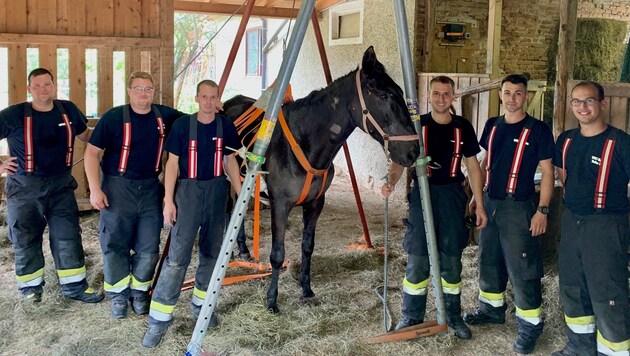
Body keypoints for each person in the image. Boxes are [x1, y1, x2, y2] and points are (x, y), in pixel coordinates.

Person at [381, 75, 488, 339]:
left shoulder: (463, 127)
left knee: (451, 258)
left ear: (454, 97)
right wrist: (391, 182)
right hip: (422, 193)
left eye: (446, 94)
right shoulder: (417, 125)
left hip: (452, 195)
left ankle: (452, 316)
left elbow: (473, 166)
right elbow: (399, 160)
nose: (441, 98)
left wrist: (480, 204)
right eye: (436, 93)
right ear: (429, 96)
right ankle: (411, 315)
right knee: (418, 256)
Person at [142, 80, 242, 348]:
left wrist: (241, 191)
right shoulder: (183, 126)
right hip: (188, 193)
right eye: (204, 97)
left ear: (218, 98)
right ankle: (159, 320)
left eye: (213, 97)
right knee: (177, 257)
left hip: (217, 192)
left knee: (212, 254)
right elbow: (172, 164)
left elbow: (230, 160)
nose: (208, 102)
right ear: (197, 98)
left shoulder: (226, 126)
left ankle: (202, 307)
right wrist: (168, 201)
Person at [462, 74, 554, 354]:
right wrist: (477, 198)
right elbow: (485, 160)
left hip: (519, 205)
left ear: (526, 96)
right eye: (507, 92)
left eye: (518, 93)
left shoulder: (538, 129)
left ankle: (529, 325)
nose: (512, 98)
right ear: (500, 95)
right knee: (488, 257)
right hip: (490, 201)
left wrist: (543, 209)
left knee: (522, 265)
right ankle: (491, 308)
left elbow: (549, 172)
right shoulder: (492, 125)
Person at [84, 71, 186, 319]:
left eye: (148, 89)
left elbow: (195, 122)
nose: (144, 94)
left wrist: (213, 105)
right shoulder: (113, 117)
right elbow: (91, 153)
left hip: (151, 188)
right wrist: (95, 189)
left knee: (149, 245)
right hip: (117, 188)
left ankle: (139, 293)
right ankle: (118, 296)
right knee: (115, 242)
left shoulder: (165, 116)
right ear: (129, 91)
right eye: (138, 89)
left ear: (153, 91)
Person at [0, 68, 103, 303]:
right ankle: (31, 291)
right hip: (24, 187)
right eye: (36, 85)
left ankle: (75, 287)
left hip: (61, 185)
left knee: (68, 236)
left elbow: (86, 134)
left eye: (47, 84)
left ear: (54, 86)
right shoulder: (13, 115)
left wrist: (109, 135)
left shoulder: (66, 110)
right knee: (25, 238)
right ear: (29, 88)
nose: (42, 89)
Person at [551, 81, 630, 356]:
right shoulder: (566, 140)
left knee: (608, 292)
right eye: (576, 101)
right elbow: (563, 177)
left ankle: (614, 351)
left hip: (606, 224)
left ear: (602, 104)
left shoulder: (621, 143)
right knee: (572, 285)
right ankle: (580, 347)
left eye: (588, 101)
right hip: (572, 220)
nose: (582, 107)